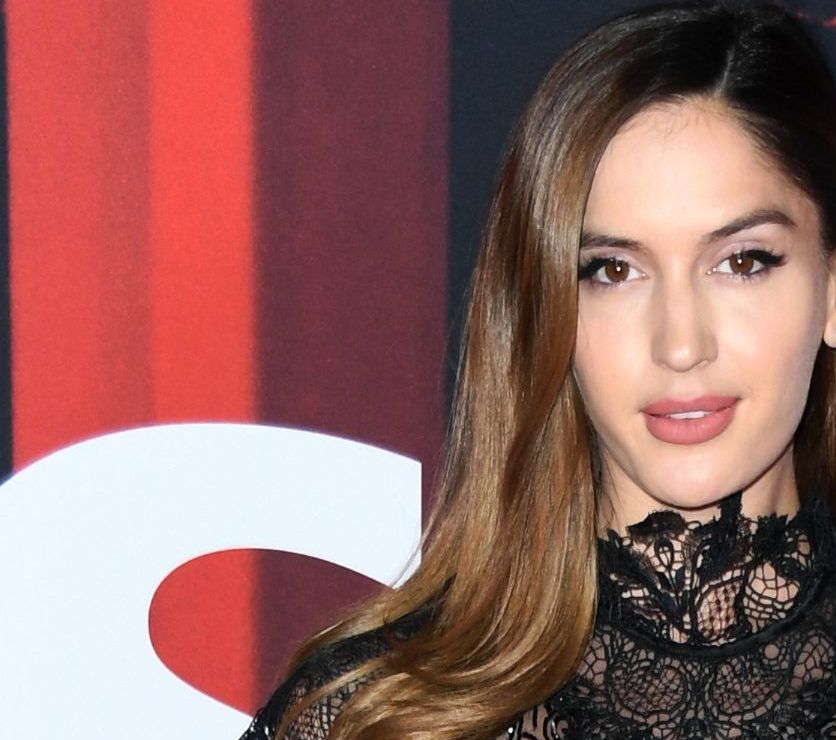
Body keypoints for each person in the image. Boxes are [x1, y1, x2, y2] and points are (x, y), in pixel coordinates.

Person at [239, 2, 836, 738]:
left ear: (831, 288)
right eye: (612, 270)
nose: (681, 345)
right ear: (544, 309)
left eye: (741, 262)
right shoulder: (367, 719)